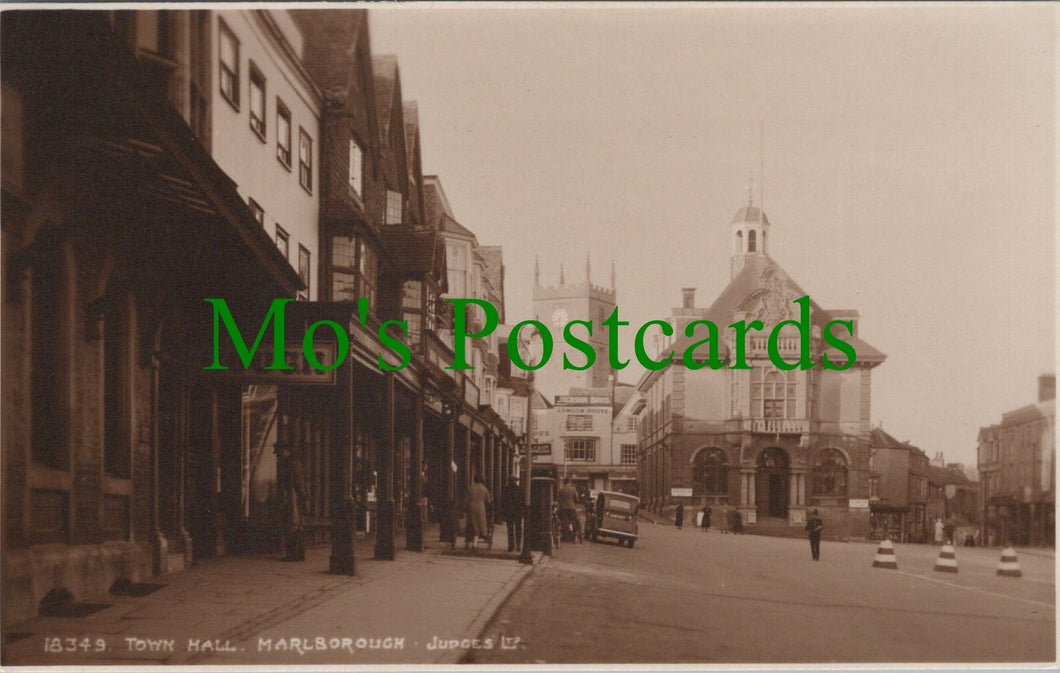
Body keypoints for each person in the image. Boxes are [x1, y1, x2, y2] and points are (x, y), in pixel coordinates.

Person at [468, 474, 492, 551]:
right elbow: (488, 500)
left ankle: (472, 543)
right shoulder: (484, 489)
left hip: (472, 506)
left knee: (473, 524)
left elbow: (468, 498)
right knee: (481, 523)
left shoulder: (471, 488)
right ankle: (480, 538)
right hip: (480, 507)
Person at [501, 475, 523, 552]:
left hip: (510, 511)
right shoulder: (519, 489)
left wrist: (503, 512)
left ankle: (511, 546)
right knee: (518, 529)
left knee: (511, 529)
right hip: (517, 512)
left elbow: (503, 501)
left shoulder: (506, 489)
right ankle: (517, 545)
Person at [556, 478, 579, 542]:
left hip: (564, 508)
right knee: (574, 520)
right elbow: (576, 499)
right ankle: (574, 534)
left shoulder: (561, 490)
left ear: (564, 482)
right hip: (572, 508)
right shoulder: (573, 489)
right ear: (569, 482)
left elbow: (558, 500)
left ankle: (565, 536)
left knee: (564, 521)